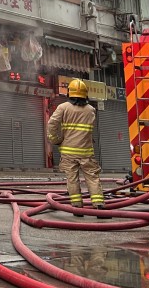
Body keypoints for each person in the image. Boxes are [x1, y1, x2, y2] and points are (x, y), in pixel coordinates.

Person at [47, 78, 104, 214]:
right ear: (85, 94)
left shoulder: (63, 108)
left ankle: (77, 206)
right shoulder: (91, 110)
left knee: (72, 179)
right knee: (92, 177)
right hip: (86, 151)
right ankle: (99, 204)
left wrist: (55, 139)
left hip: (68, 152)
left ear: (69, 93)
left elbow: (51, 124)